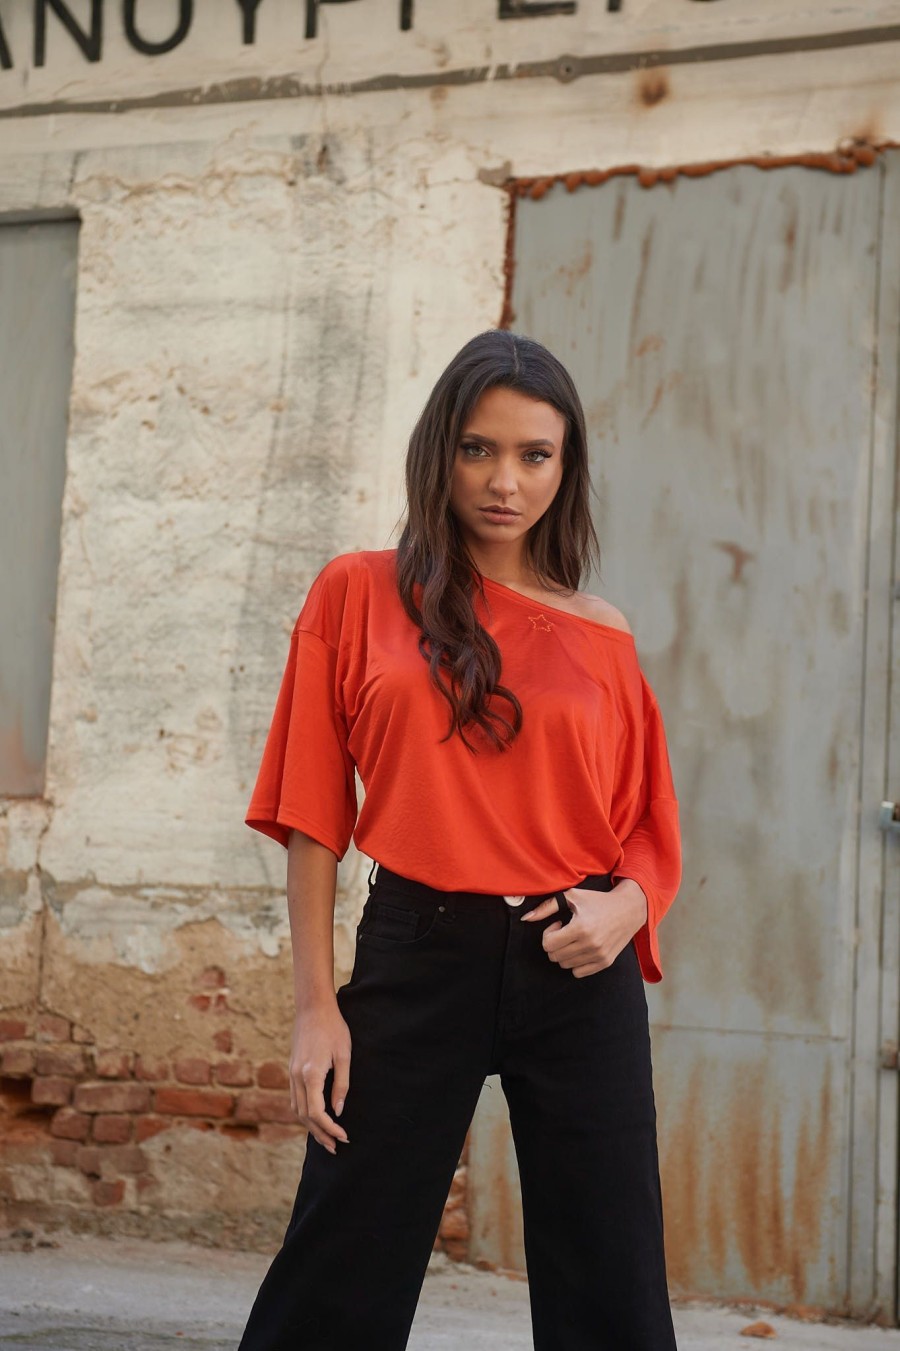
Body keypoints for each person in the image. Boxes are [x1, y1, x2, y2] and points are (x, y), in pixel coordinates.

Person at [236, 329, 682, 1351]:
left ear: (566, 471)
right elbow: (312, 813)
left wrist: (625, 906)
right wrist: (315, 1009)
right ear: (440, 450)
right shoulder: (355, 591)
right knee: (338, 1271)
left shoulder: (600, 631)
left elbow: (648, 823)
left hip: (578, 962)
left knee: (610, 1283)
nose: (505, 481)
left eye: (536, 455)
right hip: (418, 948)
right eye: (479, 449)